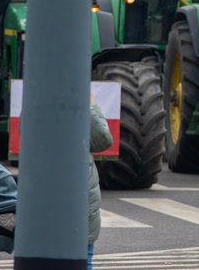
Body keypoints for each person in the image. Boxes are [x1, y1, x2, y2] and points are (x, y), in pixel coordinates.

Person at [89, 92, 113, 270]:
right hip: (79, 203)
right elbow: (103, 139)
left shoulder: (35, 97)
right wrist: (91, 106)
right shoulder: (78, 104)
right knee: (83, 260)